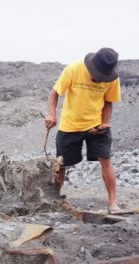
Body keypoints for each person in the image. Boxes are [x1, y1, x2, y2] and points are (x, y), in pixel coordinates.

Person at [45, 47, 122, 213]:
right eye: (97, 75)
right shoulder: (74, 69)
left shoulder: (112, 79)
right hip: (70, 125)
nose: (98, 79)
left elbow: (108, 102)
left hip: (97, 125)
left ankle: (113, 203)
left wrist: (104, 122)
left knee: (106, 160)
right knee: (61, 164)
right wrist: (52, 114)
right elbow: (55, 92)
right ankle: (55, 199)